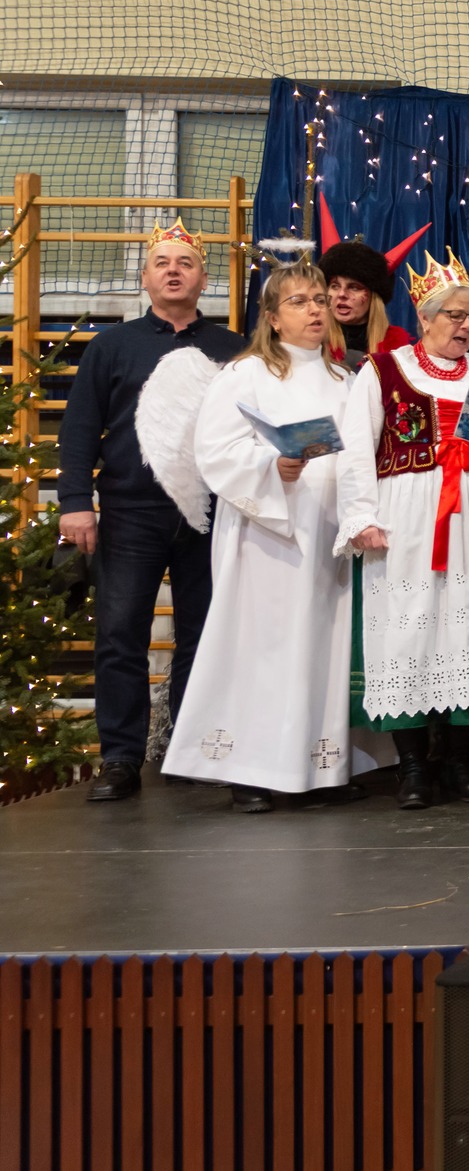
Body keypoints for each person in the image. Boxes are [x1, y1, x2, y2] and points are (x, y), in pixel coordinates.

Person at [160, 264, 392, 809]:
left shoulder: (347, 379)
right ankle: (251, 770)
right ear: (271, 317)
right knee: (263, 646)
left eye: (320, 300)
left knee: (325, 647)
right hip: (268, 530)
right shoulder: (246, 374)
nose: (315, 310)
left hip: (330, 531)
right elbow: (215, 449)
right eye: (299, 302)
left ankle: (320, 767)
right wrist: (272, 466)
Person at [335, 251, 469, 809]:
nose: (468, 325)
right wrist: (362, 518)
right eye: (456, 315)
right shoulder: (383, 370)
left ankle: (459, 764)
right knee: (410, 632)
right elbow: (355, 451)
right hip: (408, 517)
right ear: (425, 317)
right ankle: (413, 768)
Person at [58, 219, 244, 803]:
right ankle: (120, 757)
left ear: (204, 279)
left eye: (185, 263)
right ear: (145, 278)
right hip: (130, 511)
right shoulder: (111, 347)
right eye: (162, 263)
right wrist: (74, 503)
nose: (173, 271)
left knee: (203, 634)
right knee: (120, 634)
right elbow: (79, 428)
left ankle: (188, 751)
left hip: (212, 514)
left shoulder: (234, 350)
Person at [321, 239, 415, 369]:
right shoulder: (314, 342)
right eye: (335, 286)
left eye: (354, 287)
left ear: (374, 297)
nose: (342, 294)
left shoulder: (399, 349)